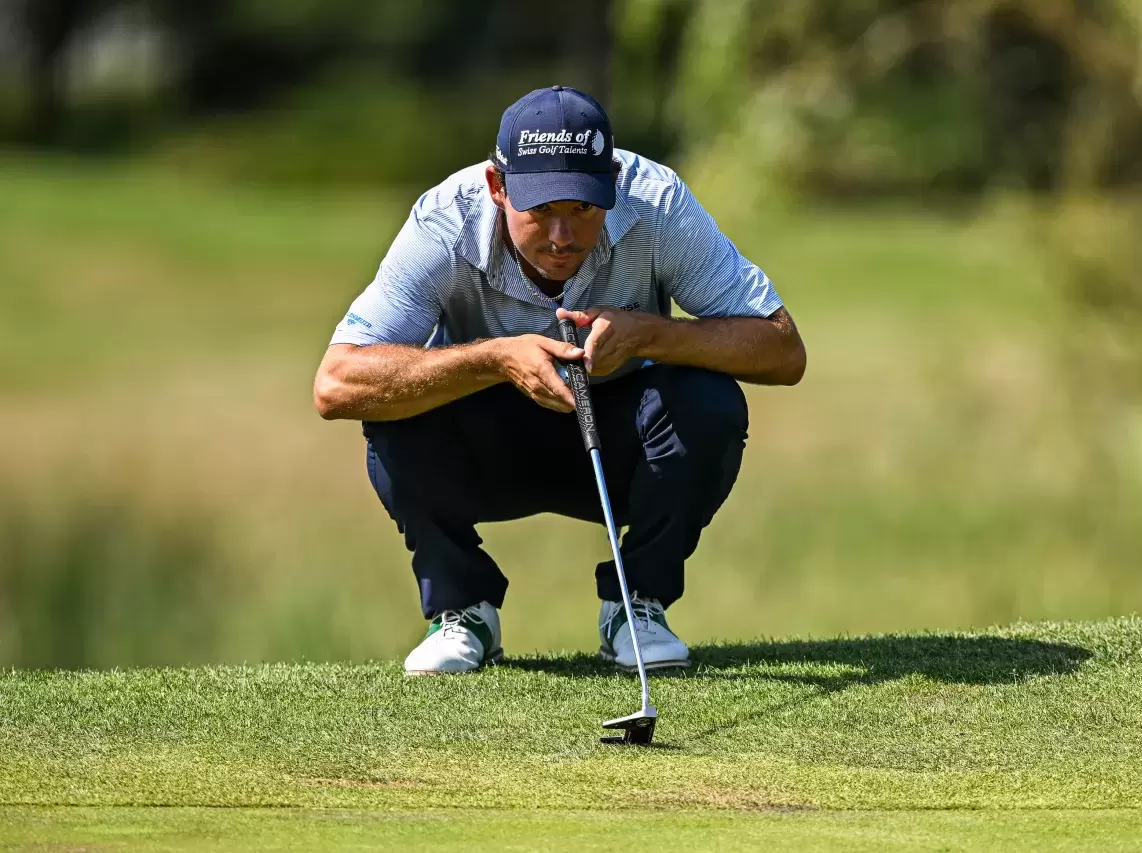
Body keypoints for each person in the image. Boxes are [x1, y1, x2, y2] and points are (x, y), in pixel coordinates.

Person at [313, 85, 806, 675]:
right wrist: (496, 359)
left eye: (582, 210)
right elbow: (336, 383)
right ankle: (463, 610)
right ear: (498, 187)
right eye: (541, 210)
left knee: (709, 403)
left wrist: (649, 335)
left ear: (612, 183)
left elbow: (783, 349)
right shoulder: (447, 220)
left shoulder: (657, 203)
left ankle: (636, 606)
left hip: (625, 447)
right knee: (396, 405)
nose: (561, 238)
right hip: (483, 445)